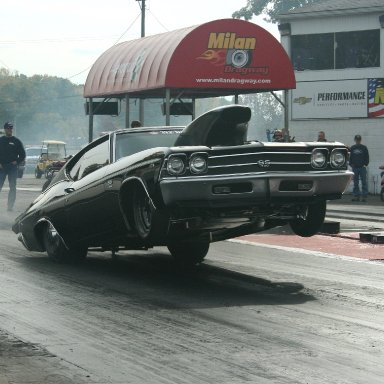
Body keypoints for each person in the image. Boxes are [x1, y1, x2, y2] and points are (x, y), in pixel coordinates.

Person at [0, 122, 26, 211]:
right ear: (5, 129)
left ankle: (10, 206)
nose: (10, 129)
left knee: (12, 186)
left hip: (12, 167)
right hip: (1, 167)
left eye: (11, 128)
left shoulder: (16, 141)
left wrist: (17, 162)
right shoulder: (1, 140)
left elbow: (23, 154)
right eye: (8, 128)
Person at [349, 134, 369, 202]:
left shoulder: (364, 148)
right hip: (355, 168)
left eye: (359, 140)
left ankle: (364, 197)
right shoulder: (352, 148)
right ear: (355, 140)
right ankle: (356, 196)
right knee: (355, 182)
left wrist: (365, 164)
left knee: (364, 182)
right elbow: (350, 157)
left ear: (360, 140)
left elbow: (367, 157)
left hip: (362, 168)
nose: (358, 141)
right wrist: (351, 164)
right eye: (357, 140)